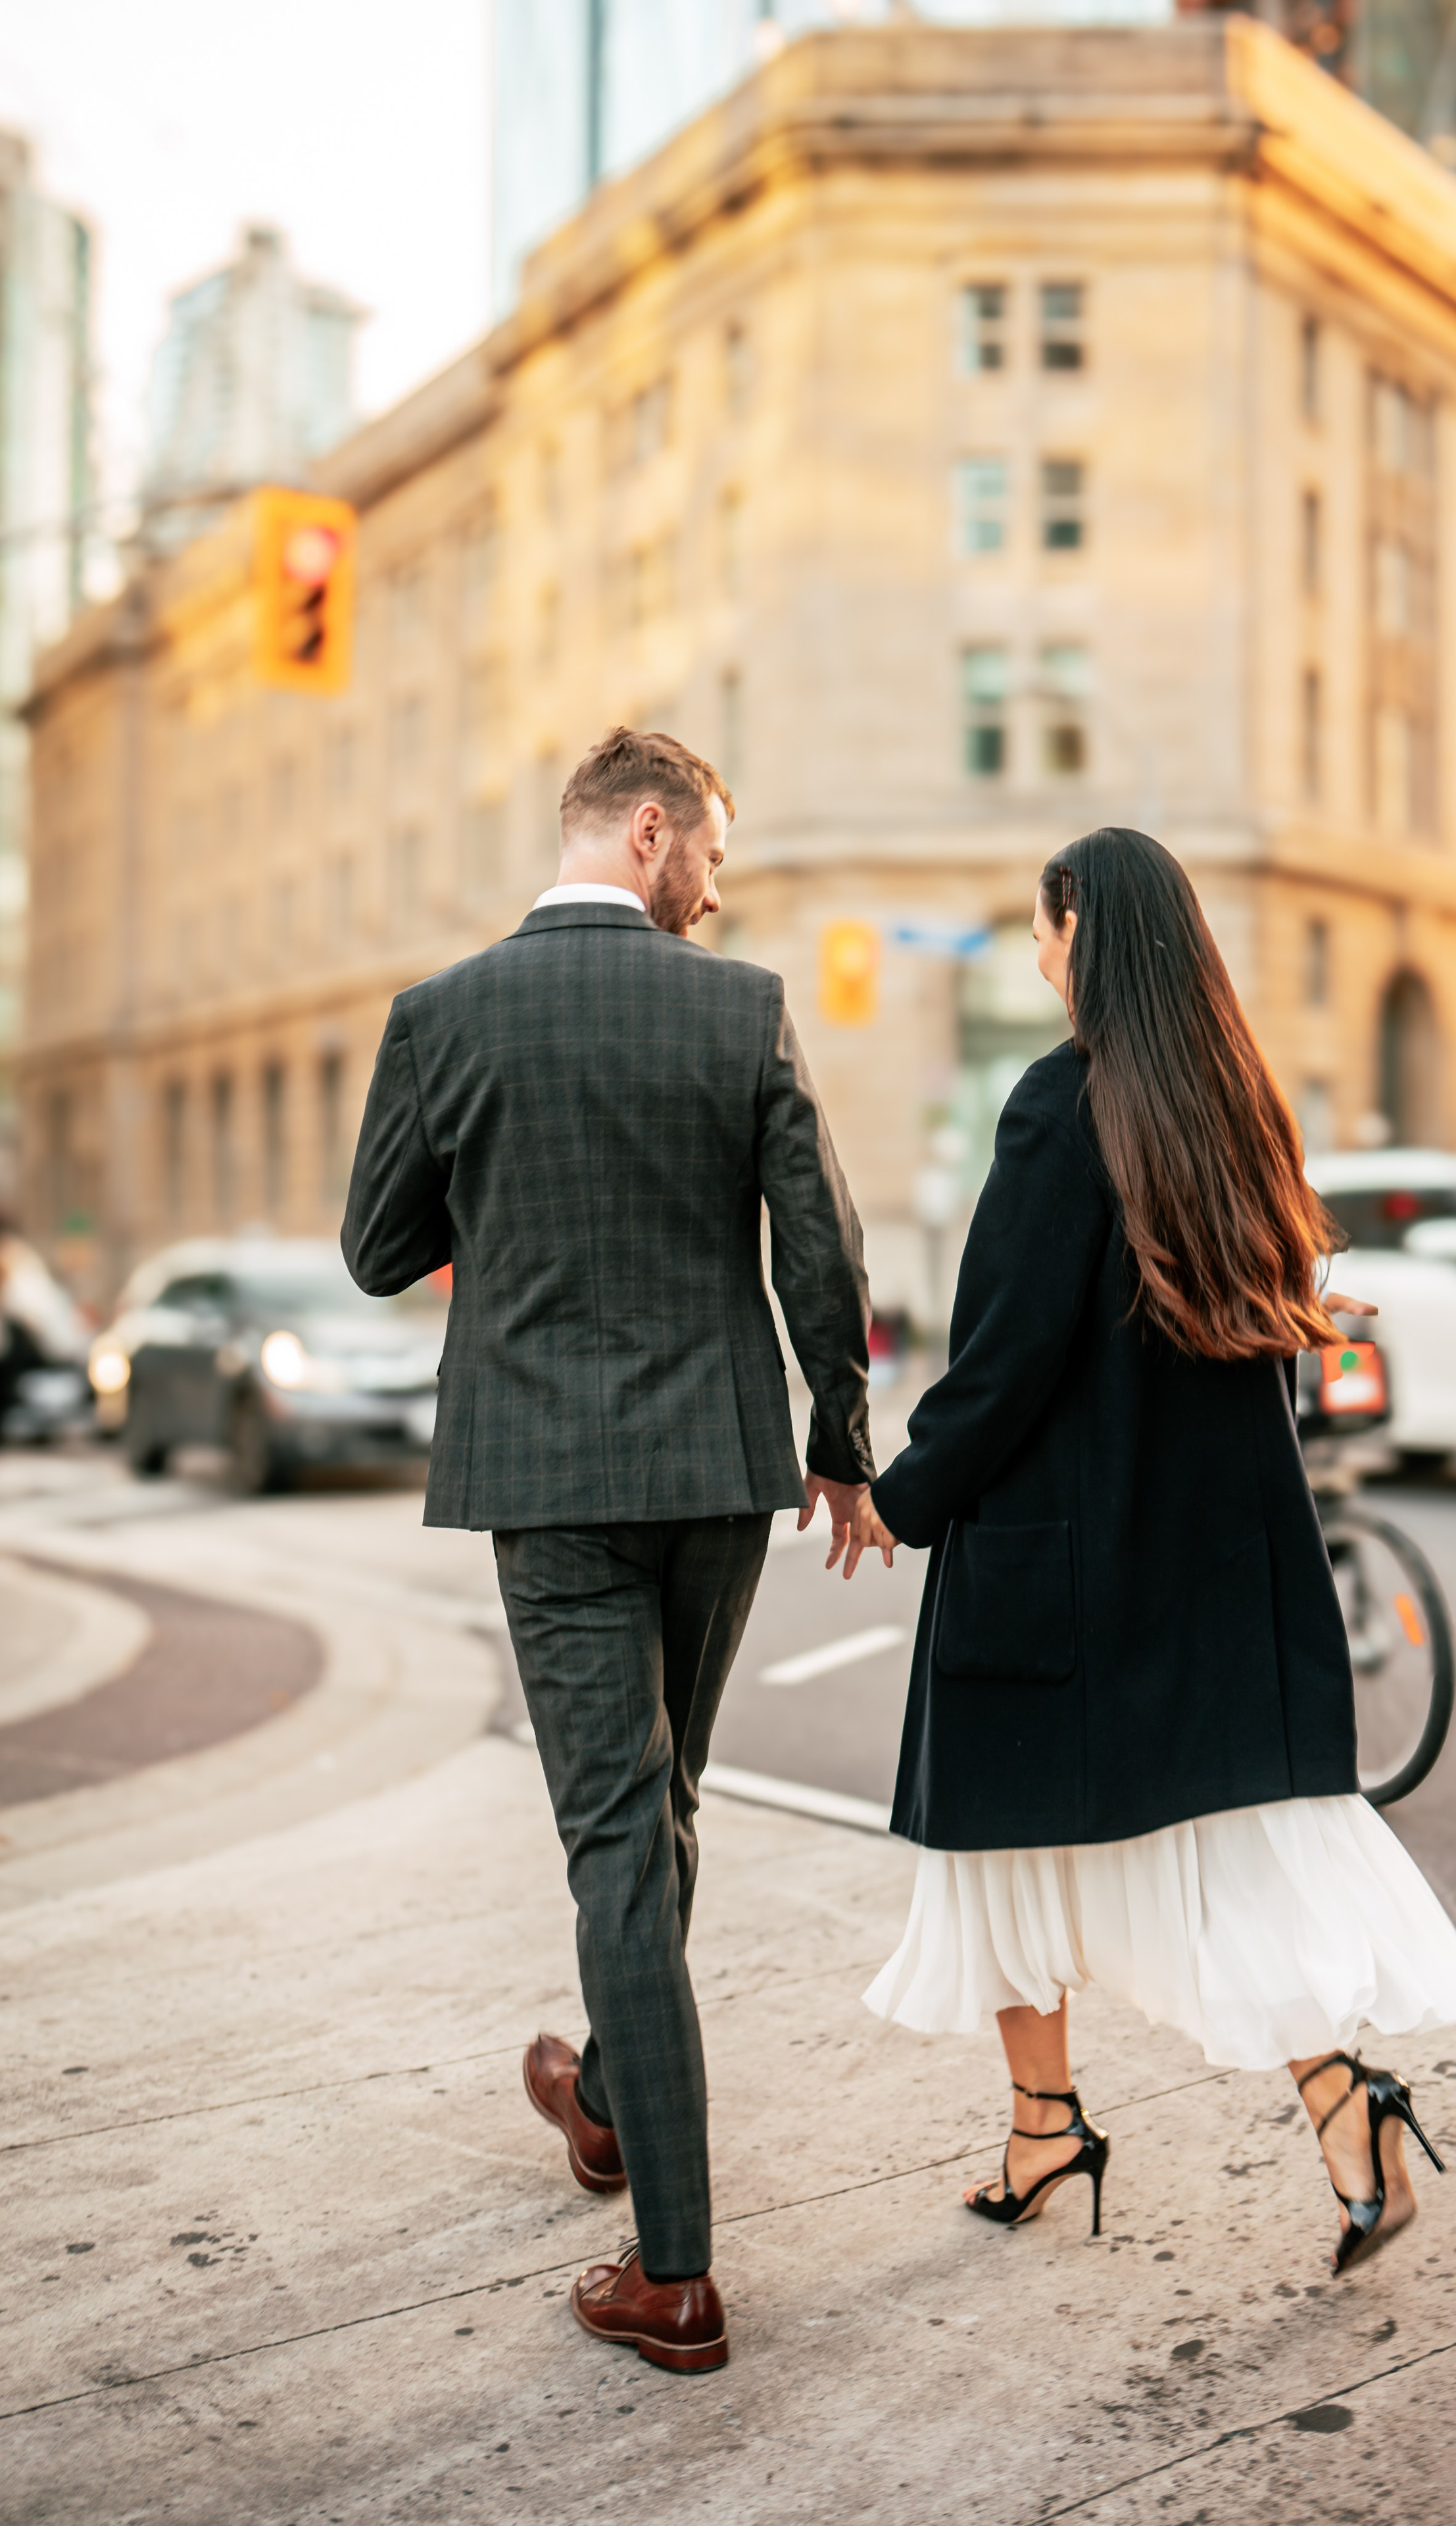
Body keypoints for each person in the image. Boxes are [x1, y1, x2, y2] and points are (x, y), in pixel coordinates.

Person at [843, 828, 1456, 2275]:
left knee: (993, 1845)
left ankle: (1048, 2127)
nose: (1032, 950)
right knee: (1229, 1850)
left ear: (1086, 932)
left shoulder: (1054, 1105)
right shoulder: (1230, 1102)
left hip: (1052, 1554)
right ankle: (1331, 2108)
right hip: (1207, 1553)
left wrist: (903, 1495)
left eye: (1041, 925)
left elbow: (1002, 1357)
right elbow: (1256, 1294)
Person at [342, 727, 876, 2370]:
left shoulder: (441, 1018)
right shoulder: (738, 1007)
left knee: (613, 1846)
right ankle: (604, 2098)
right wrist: (840, 1444)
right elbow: (822, 1245)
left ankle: (676, 2267)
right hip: (717, 1472)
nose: (717, 888)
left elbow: (376, 1246)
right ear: (648, 833)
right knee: (665, 1809)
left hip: (549, 1478)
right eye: (709, 852)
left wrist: (487, 1194)